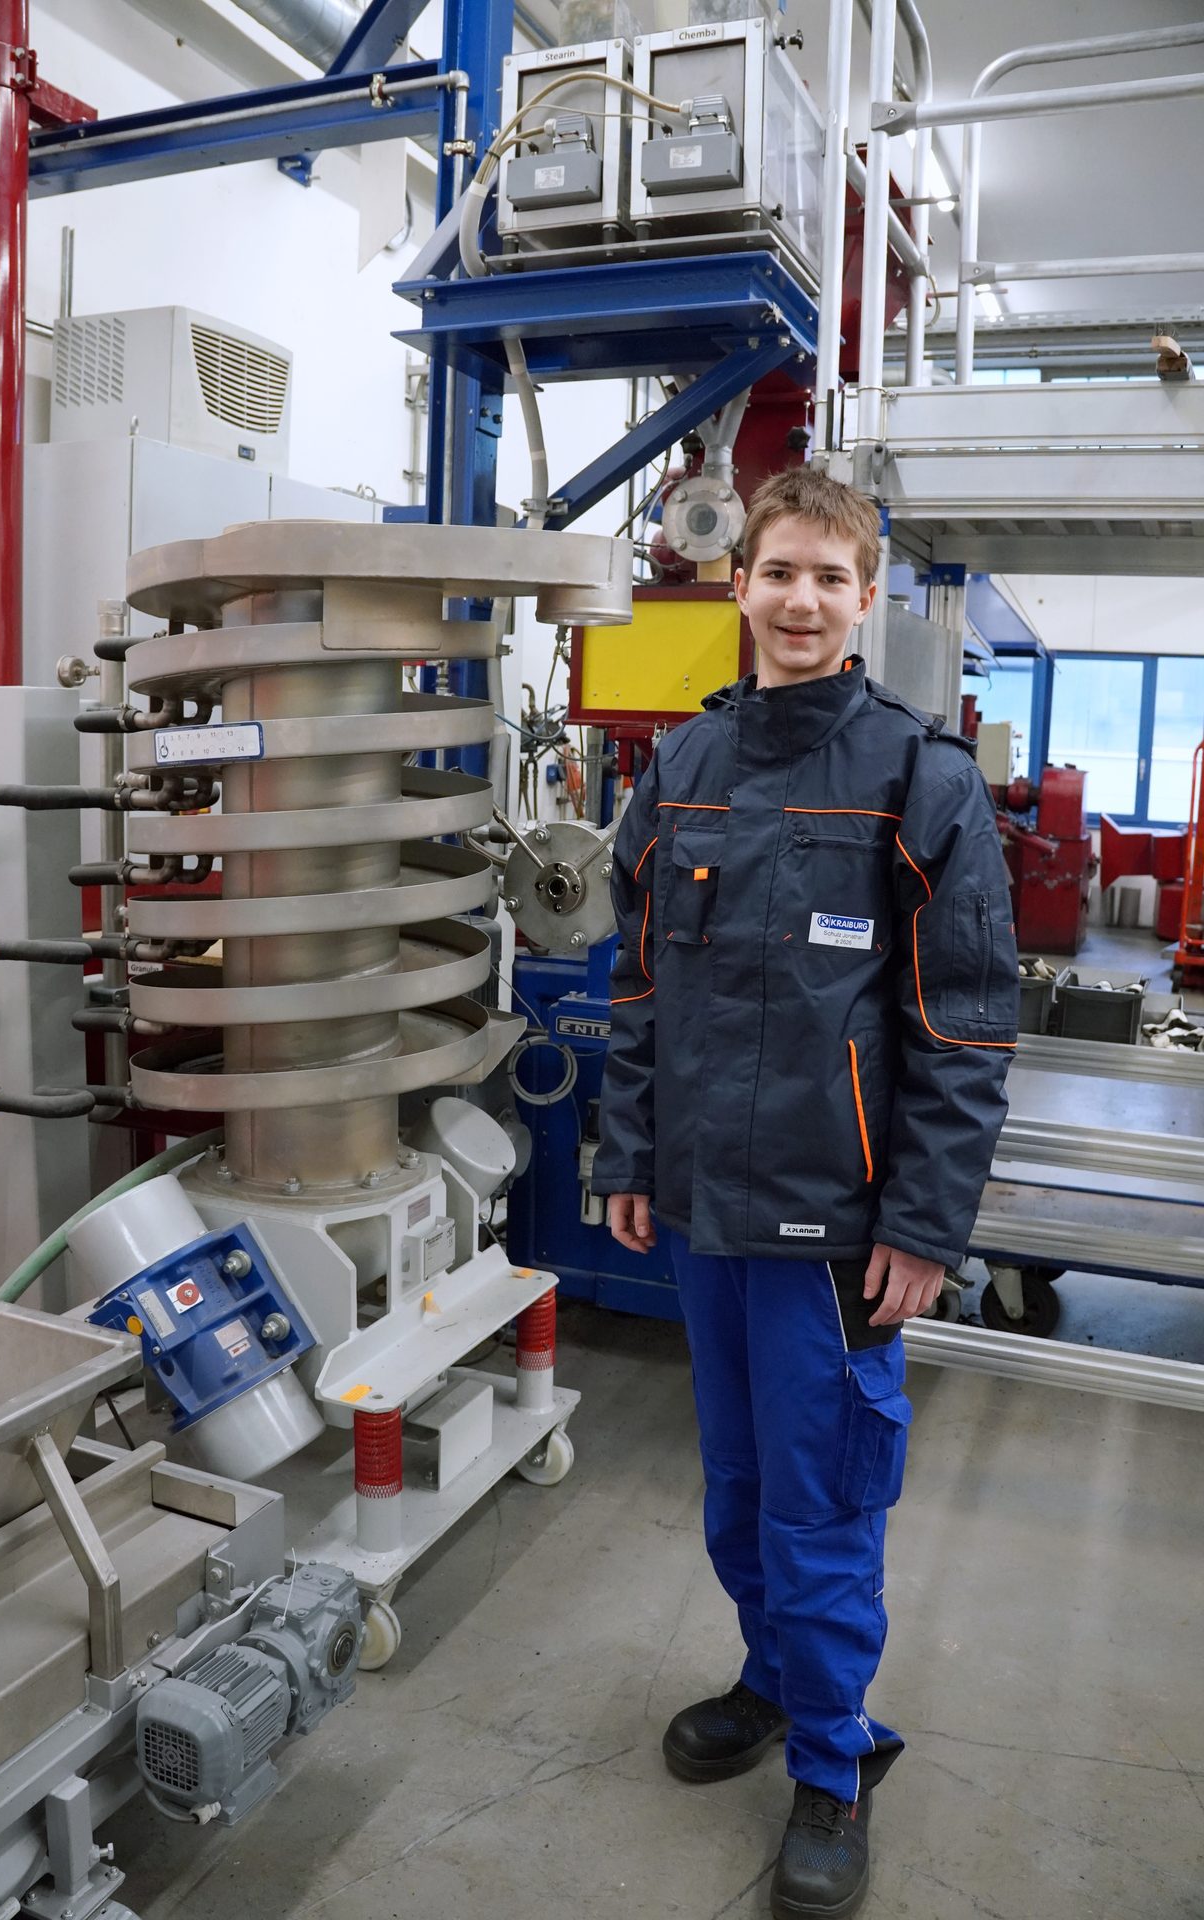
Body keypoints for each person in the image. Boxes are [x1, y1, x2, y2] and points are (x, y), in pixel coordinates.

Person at [590, 466, 1017, 1918]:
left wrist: (923, 1224)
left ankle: (834, 1767)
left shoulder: (920, 776)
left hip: (833, 1232)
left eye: (831, 579)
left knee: (823, 1510)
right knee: (738, 1495)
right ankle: (773, 1683)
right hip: (706, 1212)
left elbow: (961, 1026)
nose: (800, 599)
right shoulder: (681, 769)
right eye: (779, 571)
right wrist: (628, 1158)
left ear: (868, 597)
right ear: (740, 583)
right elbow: (639, 986)